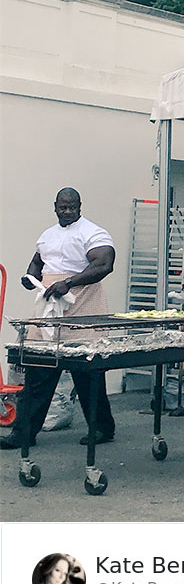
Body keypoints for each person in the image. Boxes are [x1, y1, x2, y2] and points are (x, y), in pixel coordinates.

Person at [0, 188, 116, 449]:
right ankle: (23, 433)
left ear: (80, 206)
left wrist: (69, 282)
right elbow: (37, 262)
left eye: (72, 207)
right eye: (63, 207)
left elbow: (104, 264)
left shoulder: (93, 233)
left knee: (87, 372)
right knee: (38, 368)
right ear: (55, 207)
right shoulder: (47, 235)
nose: (67, 212)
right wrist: (30, 277)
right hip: (49, 305)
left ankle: (102, 428)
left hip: (82, 303)